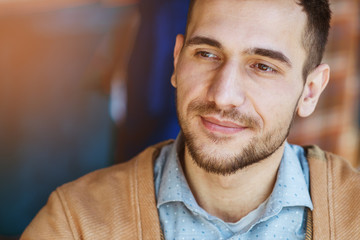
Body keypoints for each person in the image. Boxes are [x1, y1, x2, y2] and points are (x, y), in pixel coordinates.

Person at [21, 0, 360, 239]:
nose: (223, 95)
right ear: (176, 60)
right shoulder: (76, 223)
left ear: (310, 91)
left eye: (263, 66)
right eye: (207, 54)